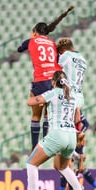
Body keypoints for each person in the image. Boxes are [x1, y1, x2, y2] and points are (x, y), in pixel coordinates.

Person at [19, 70, 89, 190]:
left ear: (53, 82)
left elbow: (31, 102)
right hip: (71, 137)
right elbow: (76, 118)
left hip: (57, 134)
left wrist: (34, 94)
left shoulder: (53, 93)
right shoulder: (72, 96)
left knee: (31, 163)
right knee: (62, 167)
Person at [51, 38, 96, 190]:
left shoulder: (65, 56)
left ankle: (75, 156)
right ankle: (73, 188)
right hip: (79, 95)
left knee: (61, 137)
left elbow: (52, 62)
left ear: (64, 49)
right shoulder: (83, 60)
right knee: (72, 126)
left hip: (70, 94)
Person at [17, 22, 61, 150]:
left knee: (36, 115)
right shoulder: (52, 43)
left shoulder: (32, 40)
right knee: (48, 115)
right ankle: (46, 144)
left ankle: (35, 147)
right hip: (54, 81)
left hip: (41, 80)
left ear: (35, 32)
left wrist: (31, 40)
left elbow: (19, 49)